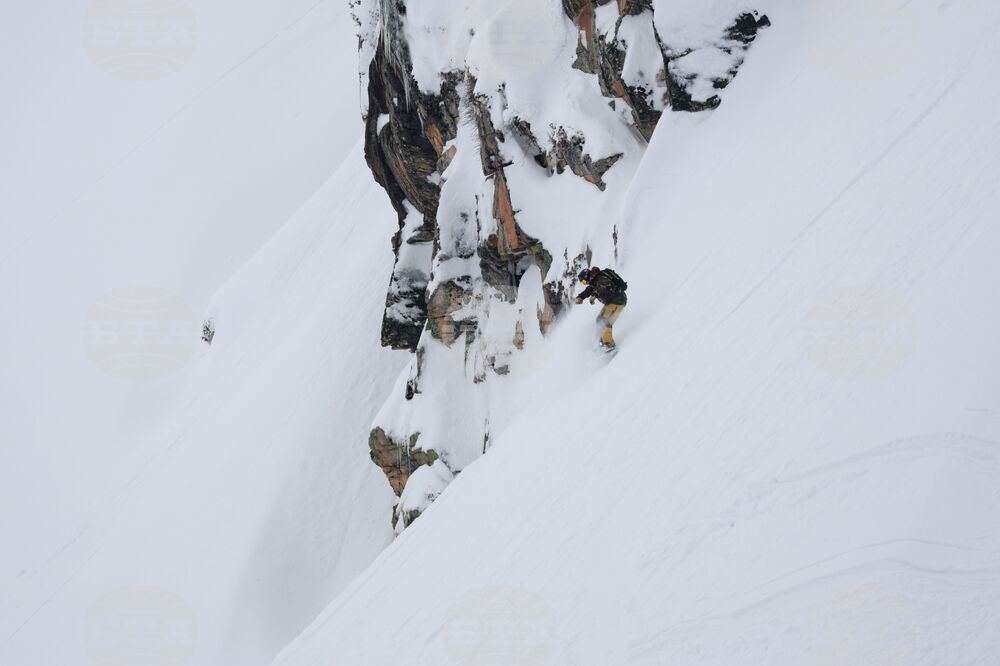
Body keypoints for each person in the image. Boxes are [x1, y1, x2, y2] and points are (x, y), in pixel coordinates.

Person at [575, 266, 627, 350]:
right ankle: (602, 342)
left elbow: (607, 288)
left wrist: (595, 295)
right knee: (599, 320)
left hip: (618, 301)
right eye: (583, 283)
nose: (585, 283)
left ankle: (609, 345)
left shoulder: (601, 278)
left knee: (605, 321)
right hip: (610, 303)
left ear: (588, 276)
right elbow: (588, 290)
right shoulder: (595, 281)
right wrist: (580, 297)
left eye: (584, 281)